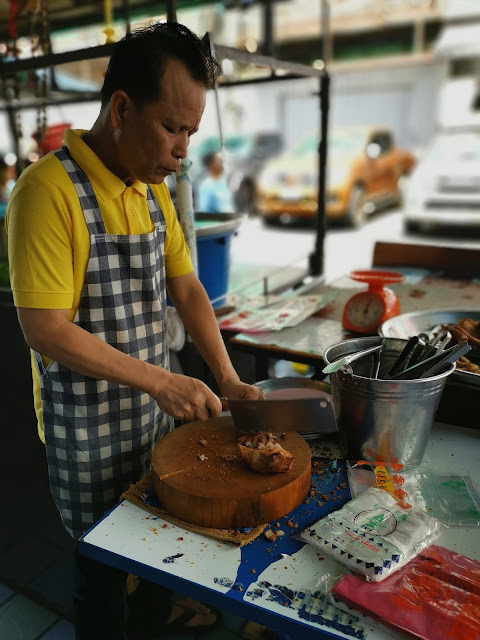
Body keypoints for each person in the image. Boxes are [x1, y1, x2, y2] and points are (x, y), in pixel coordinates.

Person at [6, 22, 263, 639]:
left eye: (191, 134)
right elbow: (44, 328)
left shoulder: (153, 194)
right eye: (172, 128)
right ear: (121, 108)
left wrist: (227, 379)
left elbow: (188, 288)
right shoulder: (47, 191)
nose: (182, 151)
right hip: (86, 430)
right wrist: (160, 381)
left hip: (150, 420)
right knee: (98, 574)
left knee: (156, 561)